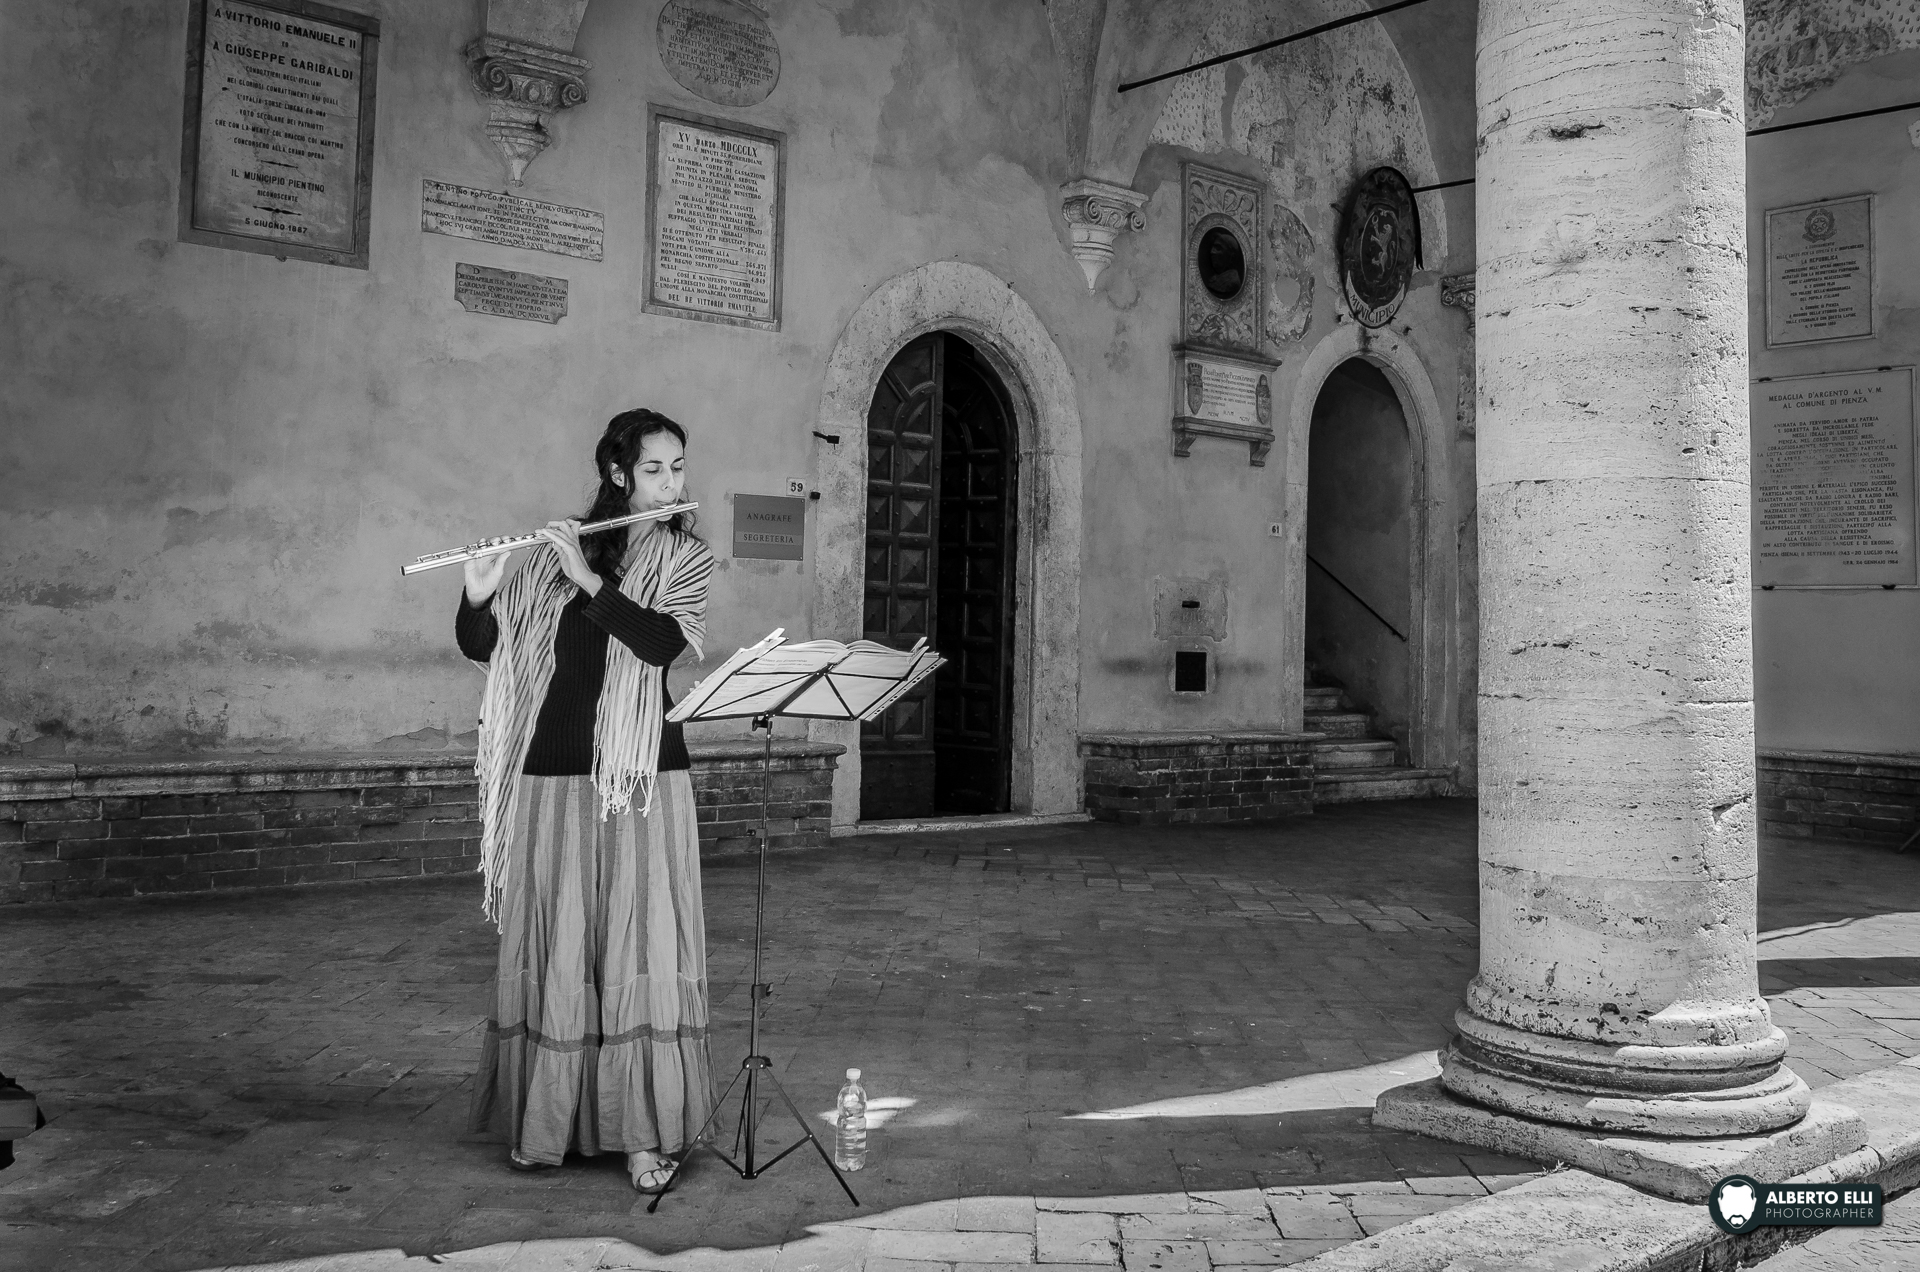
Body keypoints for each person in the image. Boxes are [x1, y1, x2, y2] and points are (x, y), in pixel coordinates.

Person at [456, 408, 717, 1193]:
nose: (671, 483)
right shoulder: (556, 548)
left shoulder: (684, 555)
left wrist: (591, 582)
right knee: (563, 944)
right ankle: (551, 1126)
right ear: (617, 474)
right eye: (654, 470)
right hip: (554, 770)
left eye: (678, 467)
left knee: (639, 947)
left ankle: (643, 1135)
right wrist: (476, 598)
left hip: (642, 774)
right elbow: (490, 651)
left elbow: (663, 643)